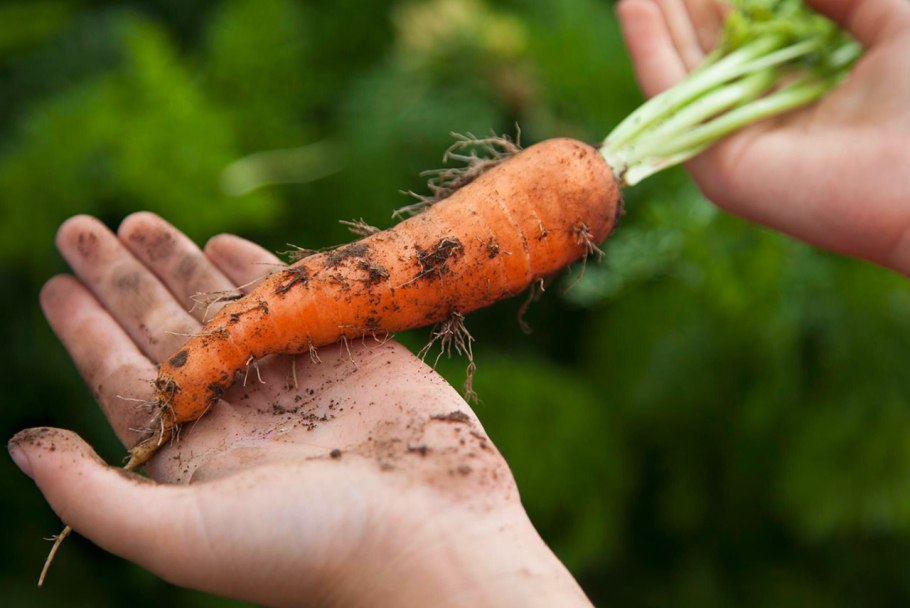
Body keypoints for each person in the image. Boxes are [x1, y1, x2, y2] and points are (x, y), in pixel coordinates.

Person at [7, 0, 909, 605]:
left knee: (328, 291)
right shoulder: (578, 177)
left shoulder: (579, 181)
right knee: (322, 290)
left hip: (587, 178)